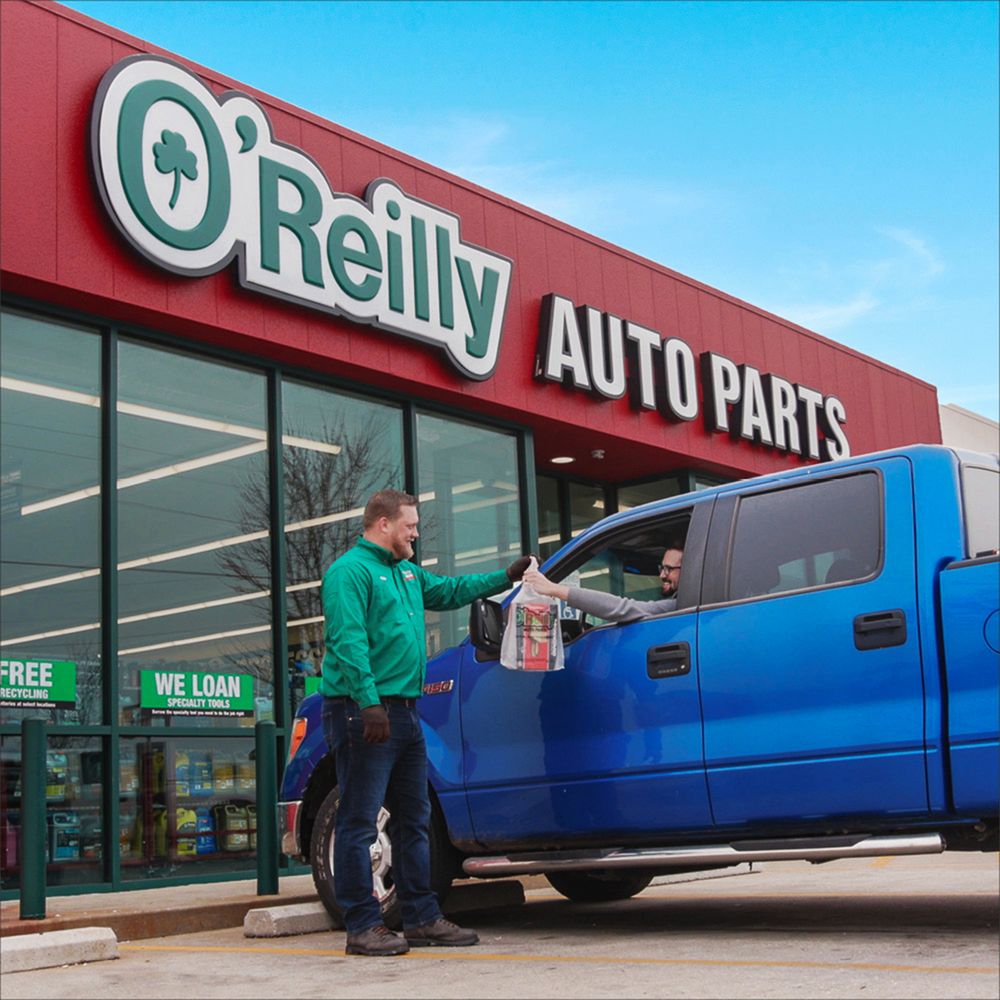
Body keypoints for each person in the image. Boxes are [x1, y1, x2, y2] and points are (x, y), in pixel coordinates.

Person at [320, 488, 532, 957]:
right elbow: (348, 640)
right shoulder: (349, 573)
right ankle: (362, 926)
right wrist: (369, 702)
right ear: (383, 524)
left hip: (405, 711)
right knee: (359, 821)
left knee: (414, 819)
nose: (416, 533)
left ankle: (420, 917)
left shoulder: (408, 573)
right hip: (364, 712)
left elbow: (451, 591)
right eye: (410, 525)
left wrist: (506, 577)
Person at [523, 543, 683, 624]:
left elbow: (624, 608)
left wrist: (554, 589)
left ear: (688, 569)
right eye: (662, 568)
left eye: (668, 569)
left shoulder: (679, 605)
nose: (662, 575)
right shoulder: (683, 605)